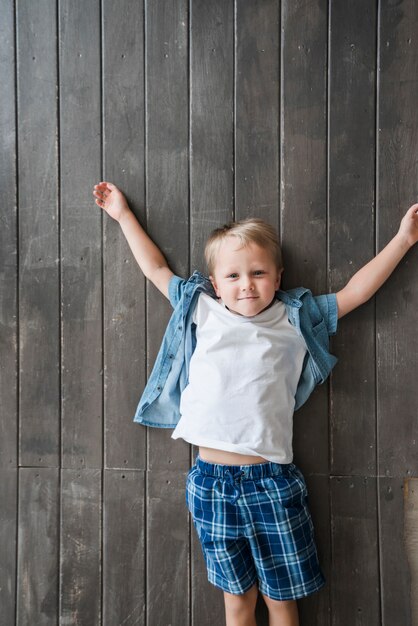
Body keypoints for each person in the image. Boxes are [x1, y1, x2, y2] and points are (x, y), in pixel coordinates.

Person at [93, 181, 418, 626]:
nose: (246, 285)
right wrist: (123, 214)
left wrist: (403, 239)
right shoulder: (201, 309)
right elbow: (155, 269)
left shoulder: (294, 318)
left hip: (271, 482)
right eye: (233, 276)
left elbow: (356, 292)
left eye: (259, 273)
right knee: (237, 602)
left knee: (282, 601)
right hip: (210, 484)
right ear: (215, 284)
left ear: (278, 277)